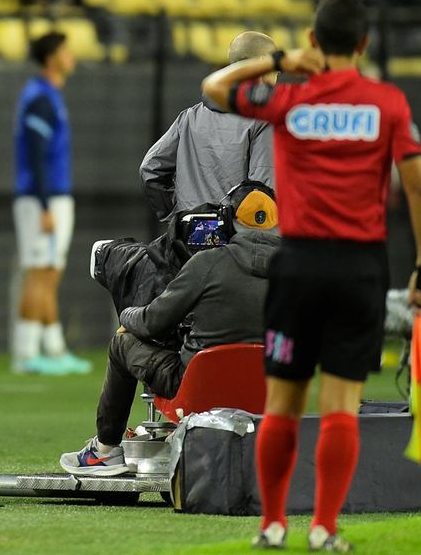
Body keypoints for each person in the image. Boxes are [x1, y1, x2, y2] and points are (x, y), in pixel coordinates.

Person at [201, 0, 421, 551]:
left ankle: (273, 524)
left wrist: (279, 62)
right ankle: (325, 529)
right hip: (358, 269)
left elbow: (214, 87)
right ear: (364, 44)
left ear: (312, 42)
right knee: (340, 406)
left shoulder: (291, 101)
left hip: (297, 265)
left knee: (282, 404)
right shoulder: (387, 104)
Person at [60, 182, 280, 476]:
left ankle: (105, 451)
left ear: (226, 220)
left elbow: (153, 321)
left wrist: (128, 314)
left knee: (121, 344)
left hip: (197, 388)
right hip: (269, 390)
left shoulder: (207, 264)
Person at [92, 31, 277, 314]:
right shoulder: (264, 122)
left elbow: (150, 169)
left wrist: (179, 217)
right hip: (237, 258)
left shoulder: (191, 117)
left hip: (185, 252)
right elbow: (261, 197)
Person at [12, 31, 91, 375]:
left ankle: (52, 349)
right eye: (65, 51)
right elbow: (38, 155)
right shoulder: (40, 98)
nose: (71, 56)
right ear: (51, 58)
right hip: (41, 199)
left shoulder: (49, 95)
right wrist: (44, 204)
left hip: (51, 197)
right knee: (40, 274)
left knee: (49, 273)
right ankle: (27, 353)